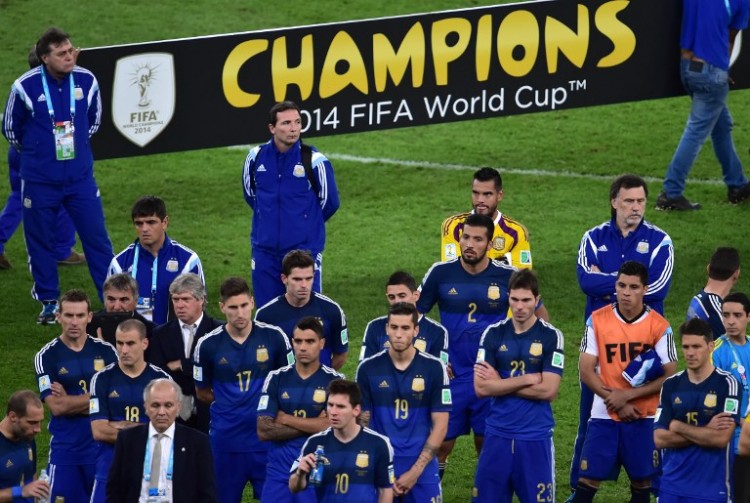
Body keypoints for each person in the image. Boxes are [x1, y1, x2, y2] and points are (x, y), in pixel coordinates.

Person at [2, 28, 115, 324]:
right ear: (44, 58)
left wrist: (73, 149)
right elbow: (11, 130)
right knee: (39, 241)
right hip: (39, 182)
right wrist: (40, 154)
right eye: (62, 53)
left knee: (97, 240)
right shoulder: (24, 87)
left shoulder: (87, 80)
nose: (70, 57)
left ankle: (111, 300)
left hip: (79, 179)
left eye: (70, 50)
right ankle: (49, 302)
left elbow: (94, 121)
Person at [571, 174, 674, 496]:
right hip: (601, 343)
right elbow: (586, 281)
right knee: (589, 418)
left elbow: (659, 288)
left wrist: (610, 282)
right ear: (614, 201)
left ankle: (651, 487)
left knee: (648, 421)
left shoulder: (660, 241)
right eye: (629, 200)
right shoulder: (593, 237)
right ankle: (580, 485)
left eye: (641, 201)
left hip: (644, 348)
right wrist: (630, 283)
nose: (636, 207)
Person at [417, 213, 532, 479]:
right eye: (465, 237)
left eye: (478, 239)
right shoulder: (441, 273)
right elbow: (414, 318)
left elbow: (538, 320)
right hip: (452, 375)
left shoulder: (508, 276)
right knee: (439, 444)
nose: (469, 244)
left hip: (490, 377)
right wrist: (430, 358)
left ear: (490, 245)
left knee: (488, 444)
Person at [573, 261, 678, 502]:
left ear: (645, 289)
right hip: (603, 415)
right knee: (587, 481)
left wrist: (627, 397)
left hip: (643, 416)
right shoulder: (597, 320)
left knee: (642, 483)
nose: (626, 292)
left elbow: (670, 374)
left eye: (633, 287)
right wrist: (617, 402)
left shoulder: (660, 326)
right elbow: (586, 370)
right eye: (621, 285)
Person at [194, 276, 293, 503]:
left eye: (243, 305)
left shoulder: (275, 338)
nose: (239, 313)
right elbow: (202, 392)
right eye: (233, 307)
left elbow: (287, 382)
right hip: (226, 442)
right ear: (222, 307)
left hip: (266, 441)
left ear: (252, 303)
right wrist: (231, 407)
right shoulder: (208, 345)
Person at [472, 270, 564, 503]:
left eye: (526, 300)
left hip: (535, 436)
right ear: (508, 297)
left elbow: (549, 391)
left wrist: (500, 382)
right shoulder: (492, 334)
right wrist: (525, 379)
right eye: (514, 299)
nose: (520, 306)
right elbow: (481, 388)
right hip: (497, 435)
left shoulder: (551, 337)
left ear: (536, 299)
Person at [242, 100, 340, 308]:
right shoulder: (255, 157)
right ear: (272, 128)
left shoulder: (315, 161)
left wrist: (303, 223)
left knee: (306, 319)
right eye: (286, 123)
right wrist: (269, 219)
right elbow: (251, 195)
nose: (294, 128)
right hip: (265, 252)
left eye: (297, 122)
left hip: (303, 252)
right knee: (267, 315)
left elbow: (330, 202)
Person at [656, 0, 750, 210]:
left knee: (722, 125)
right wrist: (722, 70)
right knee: (696, 132)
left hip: (687, 68)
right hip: (711, 72)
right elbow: (730, 38)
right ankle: (671, 193)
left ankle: (737, 185)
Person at [356, 302, 450, 502]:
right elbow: (361, 424)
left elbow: (441, 425)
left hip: (421, 467)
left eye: (405, 328)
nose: (398, 334)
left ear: (416, 330)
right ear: (386, 328)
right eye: (394, 327)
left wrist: (415, 472)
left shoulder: (434, 369)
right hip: (379, 464)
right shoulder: (367, 369)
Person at [0, 47, 83, 272]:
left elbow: (9, 125)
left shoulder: (24, 88)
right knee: (68, 195)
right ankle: (62, 250)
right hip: (53, 152)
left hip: (19, 152)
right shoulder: (58, 92)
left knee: (19, 197)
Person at [33, 289, 118, 502]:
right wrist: (98, 396)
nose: (74, 322)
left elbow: (115, 400)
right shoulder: (47, 356)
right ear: (58, 316)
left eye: (80, 315)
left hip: (102, 450)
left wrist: (72, 400)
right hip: (66, 451)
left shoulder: (107, 351)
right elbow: (57, 407)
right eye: (69, 315)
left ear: (89, 317)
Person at [256, 316, 344, 503]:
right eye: (298, 341)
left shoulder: (335, 381)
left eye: (310, 341)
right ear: (292, 342)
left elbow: (334, 428)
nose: (303, 347)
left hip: (317, 473)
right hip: (279, 473)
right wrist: (316, 424)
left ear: (322, 344)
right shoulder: (276, 378)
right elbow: (264, 431)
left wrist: (286, 418)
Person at [655, 318, 740, 502]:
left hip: (711, 490)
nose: (690, 353)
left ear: (710, 346)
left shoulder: (728, 384)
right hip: (671, 487)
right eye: (686, 347)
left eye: (696, 346)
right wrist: (706, 430)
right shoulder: (671, 385)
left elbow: (720, 438)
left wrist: (678, 426)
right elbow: (660, 439)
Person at [88, 318, 170, 503]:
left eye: (130, 343)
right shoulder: (101, 379)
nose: (124, 350)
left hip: (150, 471)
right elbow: (99, 431)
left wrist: (120, 425)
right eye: (120, 343)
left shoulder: (161, 381)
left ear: (144, 343)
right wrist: (143, 429)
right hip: (109, 469)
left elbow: (164, 432)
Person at [106, 378, 217, 502]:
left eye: (168, 405)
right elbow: (114, 490)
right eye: (155, 405)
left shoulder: (197, 442)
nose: (161, 412)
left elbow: (207, 494)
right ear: (146, 407)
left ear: (178, 407)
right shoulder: (127, 440)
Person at [289, 379, 394, 503]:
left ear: (356, 410)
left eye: (340, 407)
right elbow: (294, 488)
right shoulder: (315, 443)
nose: (333, 412)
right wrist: (300, 473)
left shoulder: (379, 444)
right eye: (330, 405)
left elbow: (385, 491)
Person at [108, 195, 204, 325]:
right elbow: (112, 311)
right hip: (134, 341)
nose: (144, 229)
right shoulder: (120, 264)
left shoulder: (188, 261)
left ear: (164, 222)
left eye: (151, 222)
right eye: (139, 223)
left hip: (174, 340)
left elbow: (198, 308)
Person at [149, 273, 222, 433]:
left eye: (185, 299)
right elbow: (157, 373)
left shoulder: (219, 332)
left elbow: (220, 369)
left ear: (201, 299)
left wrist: (184, 365)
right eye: (176, 300)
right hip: (174, 415)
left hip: (210, 413)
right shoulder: (160, 334)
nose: (179, 305)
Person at [255, 249, 348, 370]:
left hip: (321, 387)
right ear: (284, 279)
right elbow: (261, 362)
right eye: (297, 279)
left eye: (308, 279)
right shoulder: (265, 316)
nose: (304, 285)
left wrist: (319, 378)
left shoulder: (331, 310)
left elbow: (341, 355)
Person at [441, 167, 532, 269]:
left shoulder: (516, 233)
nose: (480, 200)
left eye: (487, 194)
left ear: (499, 195)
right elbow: (453, 270)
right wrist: (504, 263)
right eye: (475, 193)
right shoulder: (454, 226)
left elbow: (522, 277)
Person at [360, 271, 449, 365]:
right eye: (391, 297)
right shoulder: (374, 327)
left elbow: (438, 374)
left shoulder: (437, 332)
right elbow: (365, 370)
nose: (397, 301)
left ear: (416, 296)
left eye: (402, 296)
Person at [711, 292, 750, 495]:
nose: (730, 321)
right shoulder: (716, 352)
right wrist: (743, 422)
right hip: (733, 443)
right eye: (726, 315)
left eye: (736, 315)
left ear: (748, 316)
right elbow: (712, 399)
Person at [0, 391, 49, 503]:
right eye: (32, 422)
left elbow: (31, 476)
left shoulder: (26, 437)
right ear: (13, 416)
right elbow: (26, 490)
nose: (38, 429)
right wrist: (20, 491)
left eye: (40, 422)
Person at [86, 273, 155, 346]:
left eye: (124, 300)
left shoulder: (151, 332)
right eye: (111, 299)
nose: (117, 307)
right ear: (104, 299)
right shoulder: (88, 326)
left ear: (136, 301)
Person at [687, 247, 741, 339]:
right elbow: (733, 351)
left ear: (708, 268)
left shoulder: (698, 298)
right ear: (736, 274)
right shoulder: (716, 310)